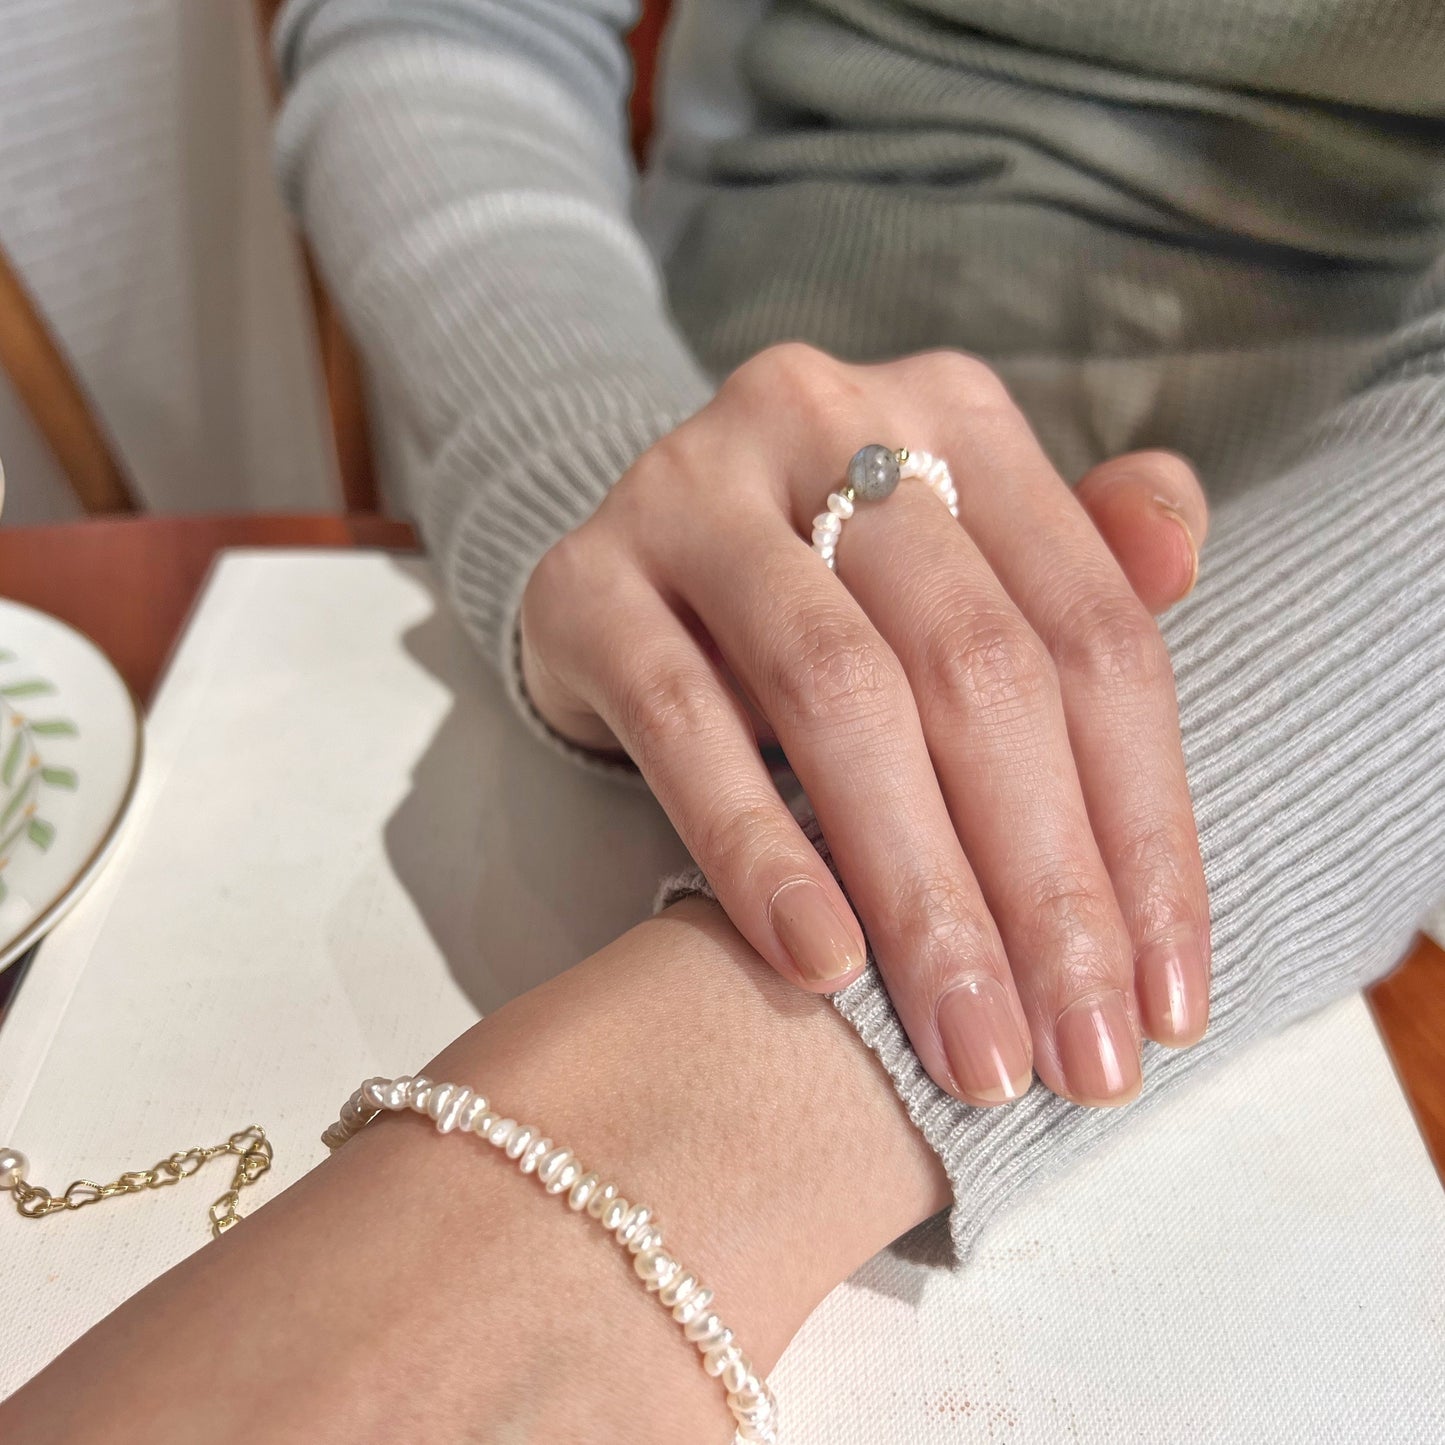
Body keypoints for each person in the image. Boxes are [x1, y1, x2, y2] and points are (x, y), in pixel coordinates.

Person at [269, 0, 1445, 1254]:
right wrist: (623, 504)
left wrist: (742, 1105)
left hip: (1313, 603)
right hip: (683, 431)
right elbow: (444, 28)